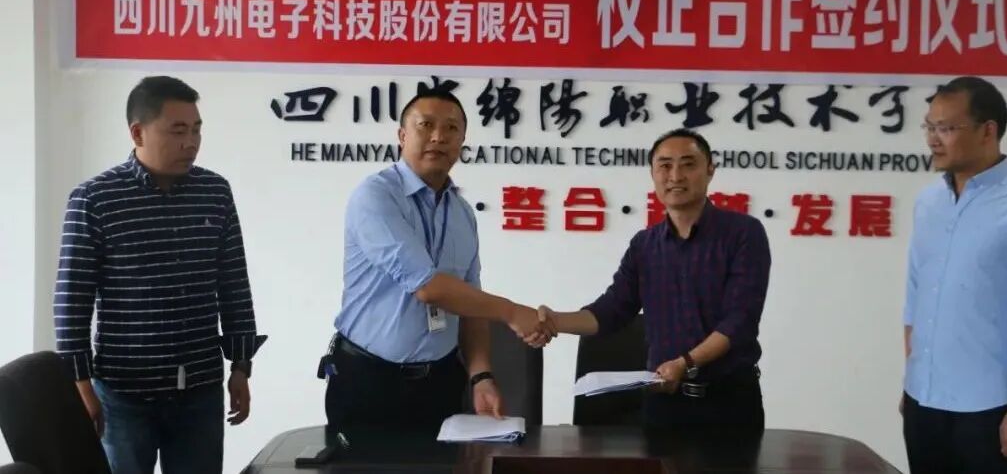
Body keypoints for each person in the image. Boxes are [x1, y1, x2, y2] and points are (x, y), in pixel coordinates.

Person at [53, 75, 265, 474]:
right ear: (138, 132)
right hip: (124, 394)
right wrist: (81, 386)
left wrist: (241, 366)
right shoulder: (95, 199)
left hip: (200, 389)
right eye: (178, 131)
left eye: (197, 129)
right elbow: (71, 302)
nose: (191, 142)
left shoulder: (214, 192)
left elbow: (234, 284)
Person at [324, 82, 552, 432]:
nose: (438, 137)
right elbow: (428, 287)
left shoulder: (462, 213)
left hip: (440, 382)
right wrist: (511, 312)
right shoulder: (376, 196)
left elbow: (471, 303)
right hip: (369, 379)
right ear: (402, 135)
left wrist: (481, 376)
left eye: (451, 128)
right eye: (426, 125)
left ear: (462, 141)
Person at [535, 128, 771, 432]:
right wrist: (555, 321)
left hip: (729, 402)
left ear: (710, 170)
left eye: (688, 164)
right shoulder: (644, 245)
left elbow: (739, 321)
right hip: (664, 403)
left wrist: (684, 363)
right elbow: (612, 309)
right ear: (652, 174)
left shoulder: (744, 233)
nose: (675, 176)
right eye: (665, 165)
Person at [902, 76, 1007, 474]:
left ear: (988, 131)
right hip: (923, 400)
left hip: (991, 408)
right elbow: (915, 295)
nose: (932, 139)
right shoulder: (928, 202)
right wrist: (910, 381)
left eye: (946, 128)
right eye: (929, 127)